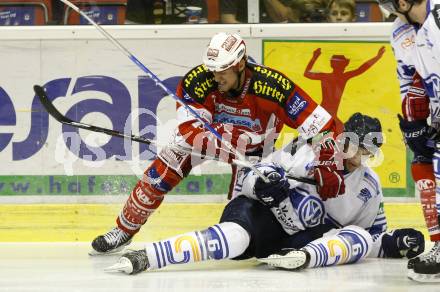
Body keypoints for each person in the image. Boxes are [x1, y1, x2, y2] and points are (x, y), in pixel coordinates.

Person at [91, 32, 345, 255]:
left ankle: (251, 242)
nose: (216, 76)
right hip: (209, 138)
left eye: (222, 70)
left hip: (254, 150)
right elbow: (190, 130)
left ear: (240, 65)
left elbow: (320, 124)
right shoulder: (197, 81)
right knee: (166, 165)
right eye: (212, 69)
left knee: (242, 207)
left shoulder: (273, 86)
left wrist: (326, 160)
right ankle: (124, 229)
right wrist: (219, 142)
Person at [105, 112, 424, 275]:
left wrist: (393, 243)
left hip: (298, 242)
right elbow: (248, 172)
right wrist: (262, 184)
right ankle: (149, 255)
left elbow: (371, 236)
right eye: (355, 144)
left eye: (370, 148)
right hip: (261, 219)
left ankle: (305, 259)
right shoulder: (304, 149)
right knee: (233, 238)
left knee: (355, 234)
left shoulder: (370, 186)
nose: (360, 154)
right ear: (341, 139)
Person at [377, 0, 440, 282]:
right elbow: (408, 80)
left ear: (402, 2)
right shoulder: (400, 31)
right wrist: (413, 121)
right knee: (423, 164)